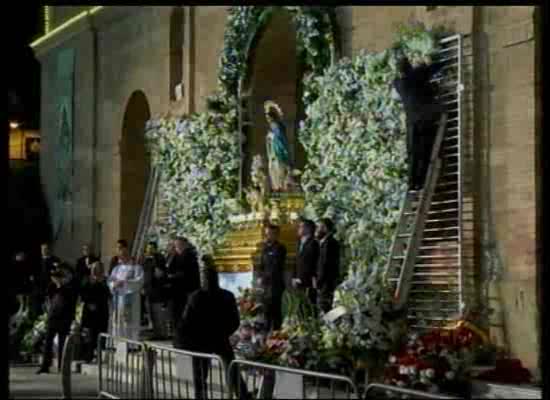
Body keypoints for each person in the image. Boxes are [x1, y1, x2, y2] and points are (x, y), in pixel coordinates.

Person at [176, 257, 250, 400]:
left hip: (202, 340)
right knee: (231, 370)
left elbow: (186, 322)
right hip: (219, 338)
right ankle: (242, 395)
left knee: (201, 374)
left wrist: (187, 339)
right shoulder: (227, 295)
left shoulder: (196, 297)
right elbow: (235, 321)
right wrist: (224, 332)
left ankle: (203, 396)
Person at [393, 55, 445, 190]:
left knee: (413, 153)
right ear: (409, 67)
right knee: (426, 148)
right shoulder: (416, 75)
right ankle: (422, 181)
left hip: (411, 122)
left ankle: (412, 183)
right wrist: (431, 63)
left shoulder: (398, 83)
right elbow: (433, 68)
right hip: (426, 117)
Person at [36, 263, 77, 374]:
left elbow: (70, 303)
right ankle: (45, 366)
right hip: (53, 318)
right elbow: (48, 298)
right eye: (54, 277)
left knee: (62, 344)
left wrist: (71, 319)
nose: (55, 279)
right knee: (48, 343)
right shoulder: (52, 287)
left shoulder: (68, 288)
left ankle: (62, 366)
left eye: (58, 277)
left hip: (64, 319)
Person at [165, 237, 201, 346]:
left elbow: (185, 274)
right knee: (176, 318)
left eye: (177, 246)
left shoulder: (188, 255)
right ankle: (179, 340)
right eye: (175, 246)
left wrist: (170, 276)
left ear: (184, 245)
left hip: (184, 292)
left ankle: (182, 341)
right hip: (177, 292)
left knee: (182, 317)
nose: (176, 248)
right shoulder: (176, 256)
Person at [257, 224, 287, 332]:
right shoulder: (265, 248)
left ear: (276, 235)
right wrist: (260, 277)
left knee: (276, 313)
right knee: (266, 313)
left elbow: (275, 267)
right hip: (265, 286)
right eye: (266, 233)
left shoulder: (280, 248)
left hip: (275, 285)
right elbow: (261, 265)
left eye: (269, 233)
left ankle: (276, 337)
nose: (267, 236)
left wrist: (264, 277)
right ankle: (265, 338)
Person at [108, 254, 144, 341]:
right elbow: (110, 281)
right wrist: (114, 285)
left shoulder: (137, 268)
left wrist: (125, 282)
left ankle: (131, 343)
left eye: (124, 256)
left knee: (130, 321)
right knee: (118, 319)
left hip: (131, 299)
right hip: (118, 297)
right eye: (121, 257)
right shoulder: (116, 269)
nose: (122, 259)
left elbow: (139, 281)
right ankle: (118, 341)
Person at [80, 262, 110, 363]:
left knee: (101, 334)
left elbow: (108, 294)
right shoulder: (87, 279)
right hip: (90, 311)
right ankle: (88, 356)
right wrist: (89, 303)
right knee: (90, 335)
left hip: (102, 311)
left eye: (99, 268)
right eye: (95, 268)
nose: (97, 270)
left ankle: (99, 355)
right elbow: (83, 293)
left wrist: (101, 282)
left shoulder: (105, 280)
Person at [139, 241, 168, 339]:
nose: (149, 250)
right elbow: (143, 273)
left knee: (158, 312)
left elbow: (160, 273)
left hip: (157, 290)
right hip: (148, 290)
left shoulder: (159, 258)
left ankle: (162, 333)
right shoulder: (145, 260)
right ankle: (156, 332)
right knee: (150, 313)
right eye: (148, 248)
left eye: (151, 248)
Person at [314, 218, 341, 314]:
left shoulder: (329, 243)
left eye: (318, 227)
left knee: (326, 307)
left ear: (325, 228)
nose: (316, 230)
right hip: (327, 281)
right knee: (326, 307)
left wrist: (319, 281)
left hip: (327, 281)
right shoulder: (327, 242)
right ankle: (329, 326)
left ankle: (330, 326)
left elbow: (325, 264)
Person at [264, 101, 292, 192]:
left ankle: (280, 187)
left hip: (278, 151)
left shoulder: (276, 125)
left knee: (278, 169)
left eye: (269, 117)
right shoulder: (272, 126)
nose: (267, 119)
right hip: (273, 152)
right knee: (273, 169)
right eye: (266, 118)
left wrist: (272, 136)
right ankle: (277, 187)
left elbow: (281, 138)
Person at [294, 218, 319, 311]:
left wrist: (313, 278)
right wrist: (295, 277)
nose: (298, 229)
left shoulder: (314, 243)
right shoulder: (299, 243)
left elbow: (314, 262)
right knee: (300, 307)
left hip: (309, 281)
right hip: (298, 280)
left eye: (301, 227)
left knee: (310, 307)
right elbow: (296, 261)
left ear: (308, 229)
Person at [31, 243, 61, 321]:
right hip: (38, 288)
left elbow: (58, 272)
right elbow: (33, 273)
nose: (44, 251)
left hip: (51, 288)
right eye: (42, 249)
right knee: (37, 308)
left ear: (49, 250)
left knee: (50, 308)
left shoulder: (55, 260)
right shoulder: (36, 260)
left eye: (45, 249)